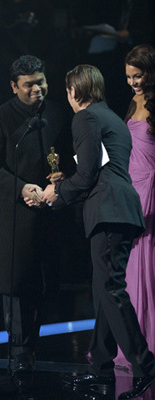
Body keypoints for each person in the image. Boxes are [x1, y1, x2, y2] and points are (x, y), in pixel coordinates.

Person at [41, 64, 155, 399]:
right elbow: (100, 169)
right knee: (103, 290)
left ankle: (145, 366)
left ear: (74, 91)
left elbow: (89, 174)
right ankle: (102, 368)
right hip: (121, 207)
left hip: (109, 211)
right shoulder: (110, 119)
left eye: (67, 91)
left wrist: (57, 196)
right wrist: (69, 183)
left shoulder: (85, 118)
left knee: (111, 288)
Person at [0, 55, 73, 374]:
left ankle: (33, 345)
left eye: (41, 82)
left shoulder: (56, 112)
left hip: (47, 209)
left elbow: (64, 157)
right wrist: (22, 188)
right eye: (29, 85)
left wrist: (59, 181)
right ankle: (19, 350)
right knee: (17, 284)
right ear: (14, 86)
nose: (37, 89)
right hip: (14, 213)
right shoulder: (0, 117)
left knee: (42, 283)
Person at [115, 45, 155, 369]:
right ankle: (134, 339)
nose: (133, 83)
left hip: (151, 189)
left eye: (138, 75)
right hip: (131, 187)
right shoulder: (133, 101)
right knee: (129, 267)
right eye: (129, 77)